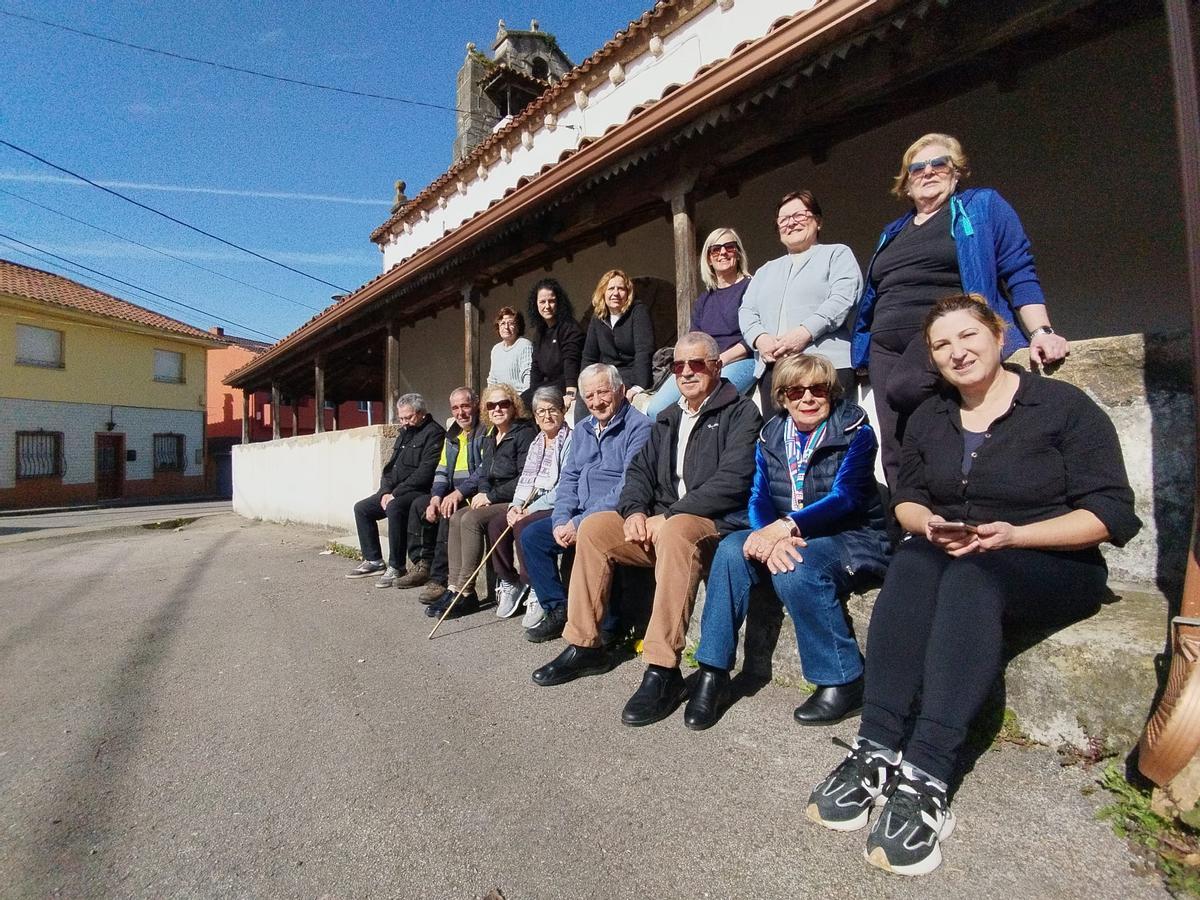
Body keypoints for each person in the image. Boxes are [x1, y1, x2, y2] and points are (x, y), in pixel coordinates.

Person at [806, 294, 1140, 876]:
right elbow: (907, 499)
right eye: (941, 345)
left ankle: (928, 773)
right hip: (955, 545)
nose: (957, 352)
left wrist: (1014, 536)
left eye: (967, 336)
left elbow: (1110, 515)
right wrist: (930, 525)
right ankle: (877, 747)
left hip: (1049, 559)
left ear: (998, 333)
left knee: (971, 577)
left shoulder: (1061, 407)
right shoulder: (931, 416)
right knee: (910, 563)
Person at [532, 333, 761, 729]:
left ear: (717, 367)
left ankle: (663, 668)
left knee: (676, 532)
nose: (687, 372)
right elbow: (637, 472)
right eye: (679, 366)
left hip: (711, 525)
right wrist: (635, 510)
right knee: (597, 527)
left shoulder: (741, 413)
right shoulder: (669, 416)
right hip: (661, 522)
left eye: (697, 364)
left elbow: (734, 480)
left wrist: (669, 513)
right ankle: (586, 644)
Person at [849, 133, 1070, 488]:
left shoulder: (981, 206)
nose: (929, 172)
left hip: (942, 330)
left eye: (940, 164)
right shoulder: (892, 231)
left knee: (906, 389)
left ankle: (954, 497)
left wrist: (1041, 331)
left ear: (956, 172)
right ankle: (908, 526)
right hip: (884, 342)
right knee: (892, 443)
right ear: (905, 183)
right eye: (917, 167)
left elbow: (1017, 269)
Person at [688, 354, 891, 731]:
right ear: (782, 397)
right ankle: (712, 673)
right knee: (732, 548)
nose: (808, 398)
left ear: (832, 392)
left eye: (818, 389)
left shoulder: (856, 430)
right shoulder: (771, 435)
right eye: (796, 391)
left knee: (795, 568)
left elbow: (847, 497)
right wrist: (768, 533)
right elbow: (758, 496)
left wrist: (785, 528)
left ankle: (842, 679)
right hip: (791, 531)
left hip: (850, 535)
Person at [518, 364, 652, 641]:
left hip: (615, 511)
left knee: (593, 533)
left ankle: (610, 627)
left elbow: (627, 485)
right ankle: (558, 610)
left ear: (621, 391)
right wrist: (561, 519)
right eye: (588, 396)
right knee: (532, 536)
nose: (596, 402)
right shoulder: (582, 429)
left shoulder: (640, 427)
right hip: (578, 511)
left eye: (602, 393)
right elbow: (569, 478)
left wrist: (579, 522)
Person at [740, 191, 862, 412]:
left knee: (829, 439)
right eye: (784, 219)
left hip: (826, 365)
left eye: (800, 215)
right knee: (778, 440)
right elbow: (747, 311)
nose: (791, 223)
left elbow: (843, 298)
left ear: (818, 221)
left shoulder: (837, 254)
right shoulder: (765, 270)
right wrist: (760, 339)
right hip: (774, 369)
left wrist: (805, 332)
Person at [426, 384, 536, 619]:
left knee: (470, 519)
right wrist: (482, 493)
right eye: (492, 405)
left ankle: (466, 592)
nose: (497, 409)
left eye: (503, 404)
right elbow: (485, 474)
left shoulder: (523, 433)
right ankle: (454, 587)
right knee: (457, 516)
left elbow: (526, 478)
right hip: (494, 497)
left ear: (513, 405)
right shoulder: (492, 436)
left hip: (515, 499)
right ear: (486, 409)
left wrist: (490, 496)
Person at [645, 227, 756, 417]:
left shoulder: (751, 287)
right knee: (656, 410)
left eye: (729, 247)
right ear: (709, 259)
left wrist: (723, 359)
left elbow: (754, 334)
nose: (723, 252)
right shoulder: (704, 299)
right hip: (703, 364)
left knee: (707, 401)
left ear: (737, 253)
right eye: (715, 249)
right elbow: (694, 339)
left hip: (740, 359)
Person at [487, 386, 572, 620]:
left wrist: (528, 510)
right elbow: (526, 479)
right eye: (541, 411)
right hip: (530, 501)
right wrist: (515, 505)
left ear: (563, 411)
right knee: (497, 523)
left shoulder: (570, 441)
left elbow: (564, 488)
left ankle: (536, 586)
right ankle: (510, 582)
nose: (547, 416)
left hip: (557, 504)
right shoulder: (536, 443)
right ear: (534, 416)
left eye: (552, 409)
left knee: (524, 526)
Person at [395, 388, 485, 601]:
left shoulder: (485, 431)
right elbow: (442, 469)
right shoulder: (453, 434)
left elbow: (485, 469)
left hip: (476, 493)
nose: (460, 413)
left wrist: (457, 494)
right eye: (455, 408)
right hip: (454, 491)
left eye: (465, 406)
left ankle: (439, 579)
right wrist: (436, 495)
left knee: (448, 512)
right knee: (420, 504)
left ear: (476, 404)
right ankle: (423, 563)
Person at [346, 394, 445, 586]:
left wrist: (395, 494)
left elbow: (425, 472)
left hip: (419, 490)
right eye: (401, 418)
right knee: (362, 508)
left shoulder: (435, 433)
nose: (404, 422)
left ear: (422, 413)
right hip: (396, 490)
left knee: (395, 507)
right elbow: (391, 469)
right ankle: (374, 560)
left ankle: (397, 566)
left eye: (408, 417)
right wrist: (384, 491)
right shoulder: (404, 434)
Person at [580, 269, 655, 408]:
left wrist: (639, 386)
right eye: (611, 289)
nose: (616, 293)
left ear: (628, 293)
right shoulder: (598, 318)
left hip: (631, 374)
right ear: (603, 292)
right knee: (582, 404)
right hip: (607, 375)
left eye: (621, 289)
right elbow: (589, 356)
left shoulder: (638, 312)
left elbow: (644, 351)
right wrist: (584, 385)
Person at [523, 278, 585, 414]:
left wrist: (570, 392)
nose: (547, 306)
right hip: (545, 385)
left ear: (559, 303)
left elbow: (571, 361)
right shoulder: (540, 332)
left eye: (551, 301)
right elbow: (536, 367)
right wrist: (532, 391)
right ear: (536, 305)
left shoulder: (569, 327)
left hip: (565, 383)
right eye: (542, 302)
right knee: (519, 403)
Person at [486, 306, 533, 392]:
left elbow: (528, 377)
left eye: (511, 323)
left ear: (518, 327)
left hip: (519, 398)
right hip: (499, 399)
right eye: (502, 323)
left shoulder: (524, 345)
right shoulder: (496, 350)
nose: (506, 327)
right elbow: (492, 379)